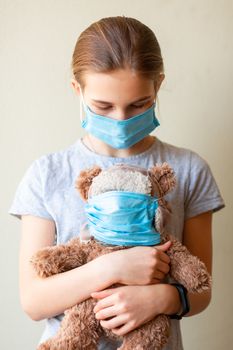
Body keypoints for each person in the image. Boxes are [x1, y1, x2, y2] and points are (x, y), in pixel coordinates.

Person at [9, 16, 225, 349]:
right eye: (103, 106)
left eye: (139, 104)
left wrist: (162, 298)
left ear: (157, 86)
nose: (121, 119)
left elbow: (201, 290)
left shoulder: (189, 169)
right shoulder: (46, 173)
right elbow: (34, 301)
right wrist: (112, 266)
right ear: (77, 91)